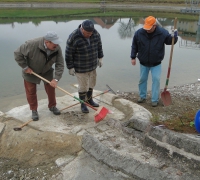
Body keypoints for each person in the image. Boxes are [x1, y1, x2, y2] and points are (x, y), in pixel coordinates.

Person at [14, 31, 64, 120]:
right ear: (47, 42)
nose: (56, 45)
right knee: (31, 92)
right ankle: (34, 110)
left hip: (47, 71)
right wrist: (25, 67)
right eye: (54, 43)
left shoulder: (57, 48)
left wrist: (56, 79)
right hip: (30, 72)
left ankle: (52, 106)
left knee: (51, 89)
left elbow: (60, 63)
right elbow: (17, 54)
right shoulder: (31, 44)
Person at [130, 16, 178, 107]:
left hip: (156, 63)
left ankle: (154, 99)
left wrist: (174, 37)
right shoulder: (139, 33)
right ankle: (142, 96)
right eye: (146, 27)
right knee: (142, 80)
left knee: (156, 80)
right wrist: (133, 57)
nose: (147, 30)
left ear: (154, 26)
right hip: (143, 62)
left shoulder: (162, 33)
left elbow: (169, 41)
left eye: (149, 28)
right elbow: (134, 45)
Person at [65, 19, 104, 113]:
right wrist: (70, 67)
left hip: (92, 65)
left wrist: (100, 57)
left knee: (92, 83)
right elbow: (68, 53)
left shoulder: (95, 33)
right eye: (87, 33)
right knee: (83, 87)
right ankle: (83, 104)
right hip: (80, 67)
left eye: (91, 33)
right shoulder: (74, 37)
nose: (89, 35)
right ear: (82, 29)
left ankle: (89, 100)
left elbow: (99, 45)